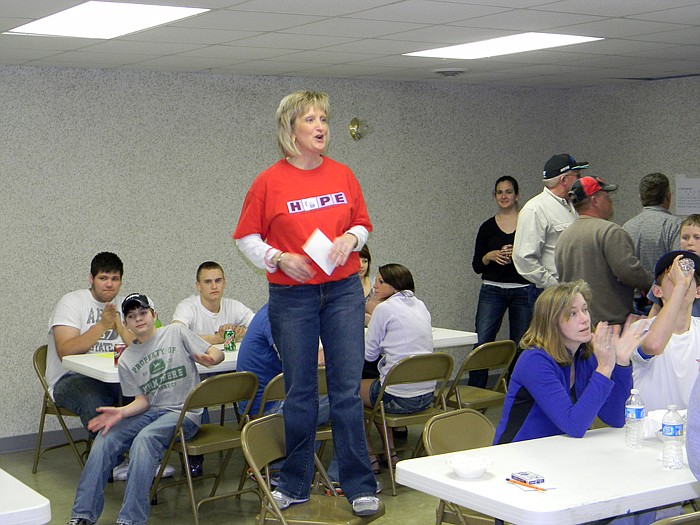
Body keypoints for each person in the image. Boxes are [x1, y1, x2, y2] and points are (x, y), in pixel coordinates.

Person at [233, 90, 379, 516]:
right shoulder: (267, 182)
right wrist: (279, 258)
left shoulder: (343, 175)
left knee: (346, 392)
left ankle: (358, 485)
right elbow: (246, 238)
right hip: (292, 296)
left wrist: (351, 238)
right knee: (299, 392)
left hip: (342, 292)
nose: (320, 127)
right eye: (310, 120)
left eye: (323, 120)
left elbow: (362, 223)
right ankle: (294, 482)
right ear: (290, 130)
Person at [66, 293, 224, 525]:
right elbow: (144, 401)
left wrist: (212, 358)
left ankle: (131, 520)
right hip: (152, 412)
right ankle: (82, 515)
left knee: (145, 439)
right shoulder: (128, 358)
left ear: (154, 315)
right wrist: (120, 413)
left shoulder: (175, 333)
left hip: (183, 413)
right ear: (126, 324)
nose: (138, 319)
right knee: (105, 437)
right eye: (132, 316)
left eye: (143, 313)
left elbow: (216, 352)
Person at [494, 280, 638, 445]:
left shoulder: (584, 355)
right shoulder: (534, 361)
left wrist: (620, 363)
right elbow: (574, 426)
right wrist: (604, 368)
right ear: (552, 322)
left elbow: (616, 418)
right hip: (517, 454)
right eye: (572, 314)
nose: (585, 319)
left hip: (559, 451)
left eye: (585, 310)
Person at [361, 264, 434, 473]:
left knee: (347, 393)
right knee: (379, 386)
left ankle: (369, 456)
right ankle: (390, 453)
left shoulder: (384, 309)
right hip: (427, 396)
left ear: (395, 286)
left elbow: (369, 355)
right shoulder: (420, 305)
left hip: (397, 399)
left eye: (381, 282)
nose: (375, 285)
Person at [48, 252, 132, 431]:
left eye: (115, 278)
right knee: (96, 403)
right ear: (91, 278)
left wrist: (122, 329)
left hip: (116, 377)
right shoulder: (72, 301)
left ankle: (143, 454)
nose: (109, 284)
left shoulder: (127, 304)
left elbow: (143, 347)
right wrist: (102, 325)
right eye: (103, 278)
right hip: (71, 378)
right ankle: (113, 457)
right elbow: (65, 351)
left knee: (151, 395)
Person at [555, 176, 653, 325]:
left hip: (575, 324)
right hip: (609, 326)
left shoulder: (564, 236)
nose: (610, 200)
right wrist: (652, 283)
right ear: (594, 200)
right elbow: (628, 271)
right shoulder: (610, 232)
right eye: (606, 195)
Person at [470, 175, 531, 387]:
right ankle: (475, 391)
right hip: (492, 290)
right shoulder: (487, 227)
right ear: (495, 196)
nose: (504, 196)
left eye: (508, 192)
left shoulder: (528, 224)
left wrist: (519, 254)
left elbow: (539, 259)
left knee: (520, 344)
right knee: (482, 341)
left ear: (517, 196)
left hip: (523, 290)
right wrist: (490, 256)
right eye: (499, 192)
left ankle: (514, 389)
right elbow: (477, 265)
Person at [512, 153, 588, 305]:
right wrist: (554, 286)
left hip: (573, 291)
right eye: (577, 175)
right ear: (564, 180)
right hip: (550, 294)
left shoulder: (572, 205)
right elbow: (523, 259)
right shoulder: (535, 209)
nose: (581, 180)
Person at [631, 251, 700, 411]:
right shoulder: (640, 328)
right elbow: (654, 345)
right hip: (650, 431)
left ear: (697, 292)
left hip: (691, 430)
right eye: (672, 279)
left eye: (687, 278)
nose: (681, 282)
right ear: (657, 291)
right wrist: (680, 287)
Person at [623, 173, 682, 315]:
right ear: (668, 196)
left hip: (633, 305)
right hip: (663, 304)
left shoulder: (626, 227)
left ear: (640, 197)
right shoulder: (674, 225)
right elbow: (677, 265)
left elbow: (623, 267)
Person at [172, 261, 254, 344]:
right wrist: (217, 338)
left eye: (218, 281)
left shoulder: (234, 306)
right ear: (198, 286)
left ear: (224, 283)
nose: (214, 286)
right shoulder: (187, 307)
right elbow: (175, 336)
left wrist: (243, 332)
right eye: (208, 282)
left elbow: (263, 327)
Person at [648, 214, 700, 318]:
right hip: (672, 329)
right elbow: (656, 308)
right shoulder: (669, 270)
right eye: (685, 238)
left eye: (697, 237)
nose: (690, 243)